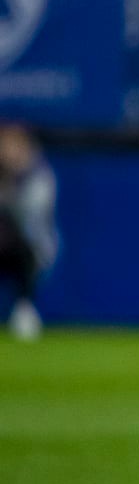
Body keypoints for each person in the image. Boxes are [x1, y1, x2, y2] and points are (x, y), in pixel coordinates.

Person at [0, 123, 56, 342]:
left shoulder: (40, 177)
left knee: (24, 249)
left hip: (31, 247)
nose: (9, 151)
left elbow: (31, 222)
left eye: (15, 146)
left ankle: (24, 309)